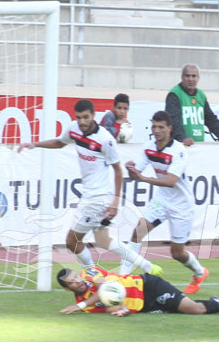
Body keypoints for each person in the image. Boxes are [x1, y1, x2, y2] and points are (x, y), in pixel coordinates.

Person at [17, 99, 160, 275]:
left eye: (86, 117)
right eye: (79, 118)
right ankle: (146, 265)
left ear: (93, 115)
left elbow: (117, 170)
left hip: (98, 198)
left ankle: (91, 273)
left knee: (71, 241)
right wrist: (35, 144)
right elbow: (60, 142)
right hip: (91, 195)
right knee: (103, 240)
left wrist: (115, 202)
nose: (82, 122)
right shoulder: (74, 129)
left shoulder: (105, 139)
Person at [123, 111, 209, 294]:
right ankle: (122, 278)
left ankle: (200, 272)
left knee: (177, 253)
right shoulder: (148, 147)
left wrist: (144, 178)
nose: (156, 130)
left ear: (169, 129)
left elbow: (171, 181)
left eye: (161, 127)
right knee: (138, 232)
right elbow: (135, 175)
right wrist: (130, 169)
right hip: (161, 200)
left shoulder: (178, 150)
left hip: (181, 205)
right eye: (154, 126)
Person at [57, 266, 219, 316]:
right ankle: (214, 301)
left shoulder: (89, 272)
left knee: (193, 310)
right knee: (185, 311)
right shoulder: (87, 308)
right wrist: (122, 310)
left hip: (148, 286)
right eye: (72, 283)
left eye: (76, 277)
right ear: (68, 289)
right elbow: (109, 306)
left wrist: (81, 304)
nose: (78, 281)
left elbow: (103, 288)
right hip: (144, 306)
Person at [165, 63, 219, 147]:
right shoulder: (174, 95)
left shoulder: (201, 95)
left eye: (194, 76)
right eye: (187, 76)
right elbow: (173, 121)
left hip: (198, 147)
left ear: (198, 78)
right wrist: (183, 138)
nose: (190, 79)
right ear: (182, 77)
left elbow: (211, 120)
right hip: (179, 146)